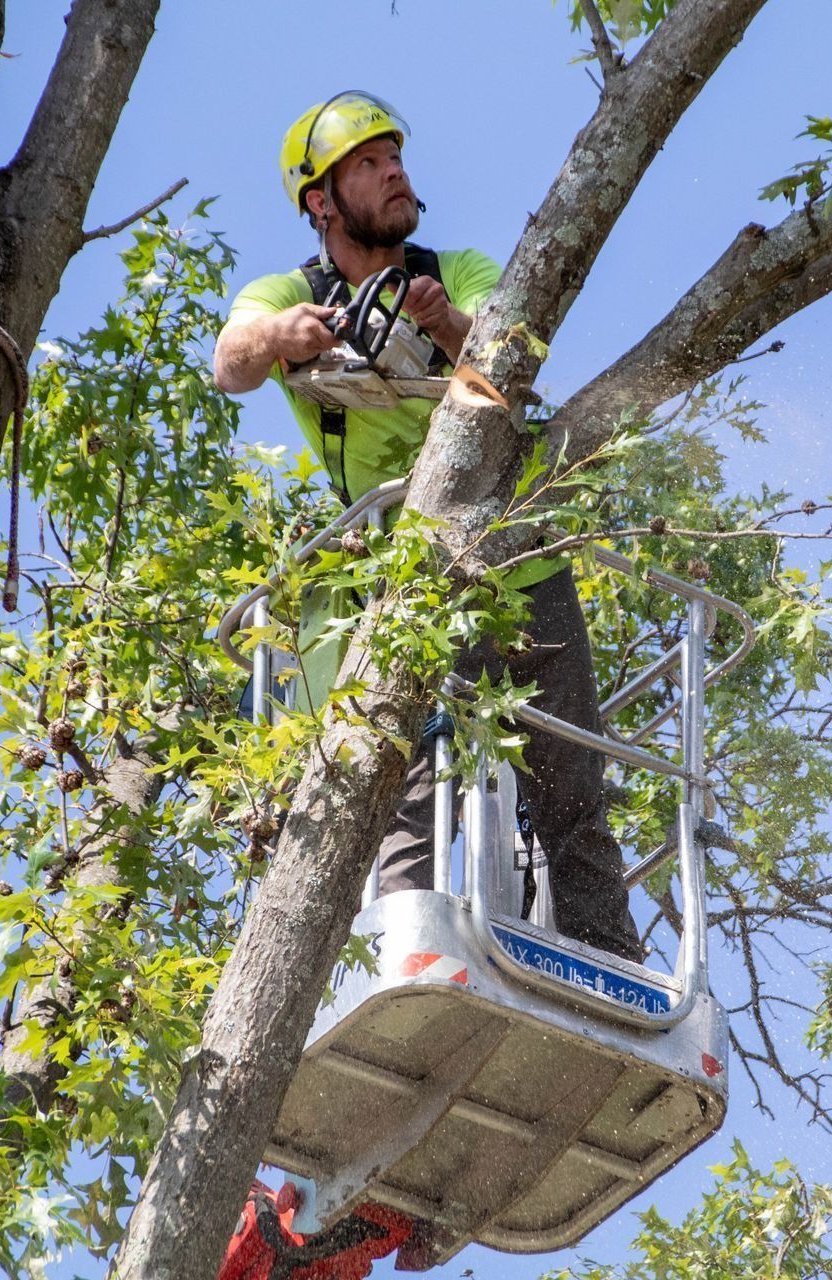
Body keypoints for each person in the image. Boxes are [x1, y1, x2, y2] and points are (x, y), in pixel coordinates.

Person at [215, 91, 646, 965]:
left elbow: (514, 356)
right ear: (322, 200)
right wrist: (280, 333)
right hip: (406, 583)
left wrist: (443, 322)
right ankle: (401, 945)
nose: (395, 172)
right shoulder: (287, 294)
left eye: (395, 156)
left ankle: (611, 961)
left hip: (522, 567)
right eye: (369, 163)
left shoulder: (466, 274)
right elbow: (230, 366)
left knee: (572, 783)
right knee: (408, 784)